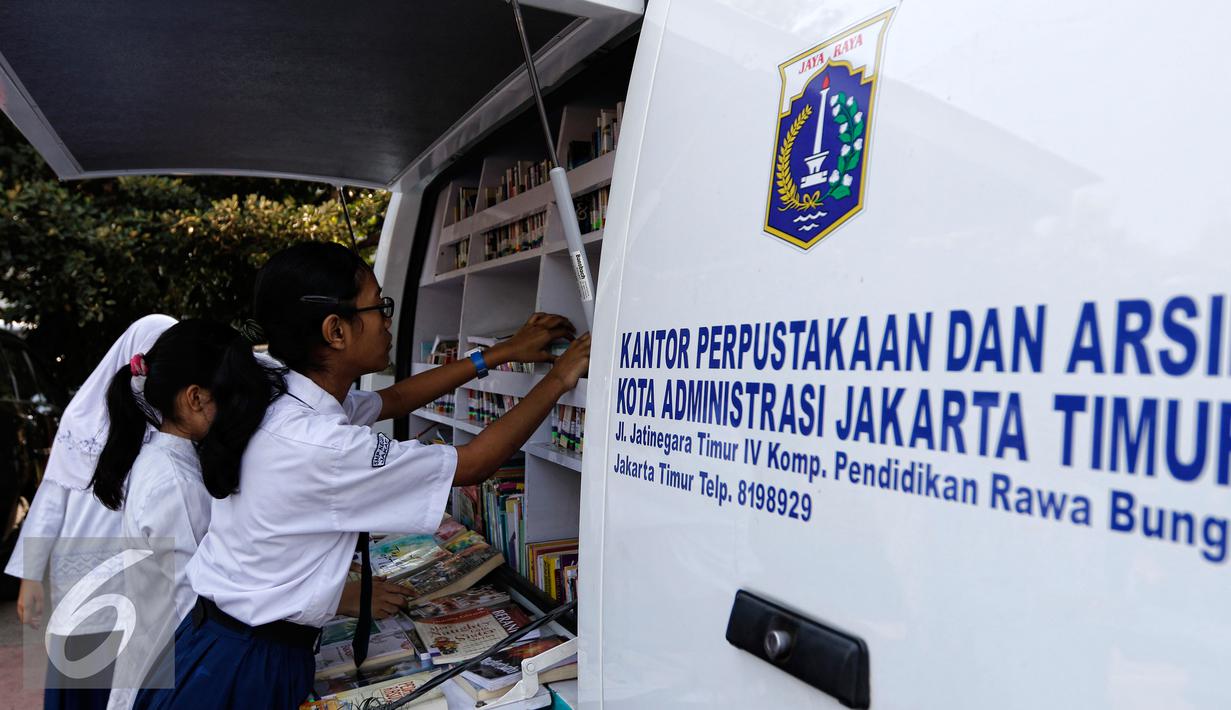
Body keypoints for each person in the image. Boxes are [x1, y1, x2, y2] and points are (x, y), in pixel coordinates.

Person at [133, 241, 591, 709]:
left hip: (220, 642)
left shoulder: (283, 391)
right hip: (246, 664)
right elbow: (475, 462)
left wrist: (495, 356)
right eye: (379, 306)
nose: (388, 320)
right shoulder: (322, 446)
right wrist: (558, 378)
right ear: (336, 331)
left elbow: (392, 401)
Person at [5, 314, 176, 710]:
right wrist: (29, 577)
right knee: (85, 679)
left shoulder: (173, 420)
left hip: (145, 572)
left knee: (137, 680)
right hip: (83, 573)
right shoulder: (83, 417)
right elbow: (50, 500)